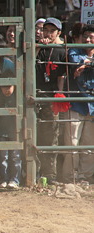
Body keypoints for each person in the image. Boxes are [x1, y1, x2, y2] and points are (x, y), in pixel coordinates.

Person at [62, 25, 94, 184]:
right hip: (76, 103)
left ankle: (85, 176)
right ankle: (70, 176)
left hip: (92, 106)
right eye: (85, 37)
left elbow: (81, 64)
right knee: (72, 142)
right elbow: (74, 60)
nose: (88, 40)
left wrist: (86, 64)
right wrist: (87, 62)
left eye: (91, 37)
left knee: (89, 143)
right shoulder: (74, 51)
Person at [35, 17, 66, 184]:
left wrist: (59, 94)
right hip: (36, 95)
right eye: (45, 30)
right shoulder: (37, 47)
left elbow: (61, 76)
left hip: (51, 96)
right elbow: (28, 62)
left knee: (52, 136)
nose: (47, 33)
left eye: (51, 31)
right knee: (34, 134)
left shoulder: (61, 50)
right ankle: (34, 172)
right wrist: (39, 45)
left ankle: (50, 174)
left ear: (58, 33)